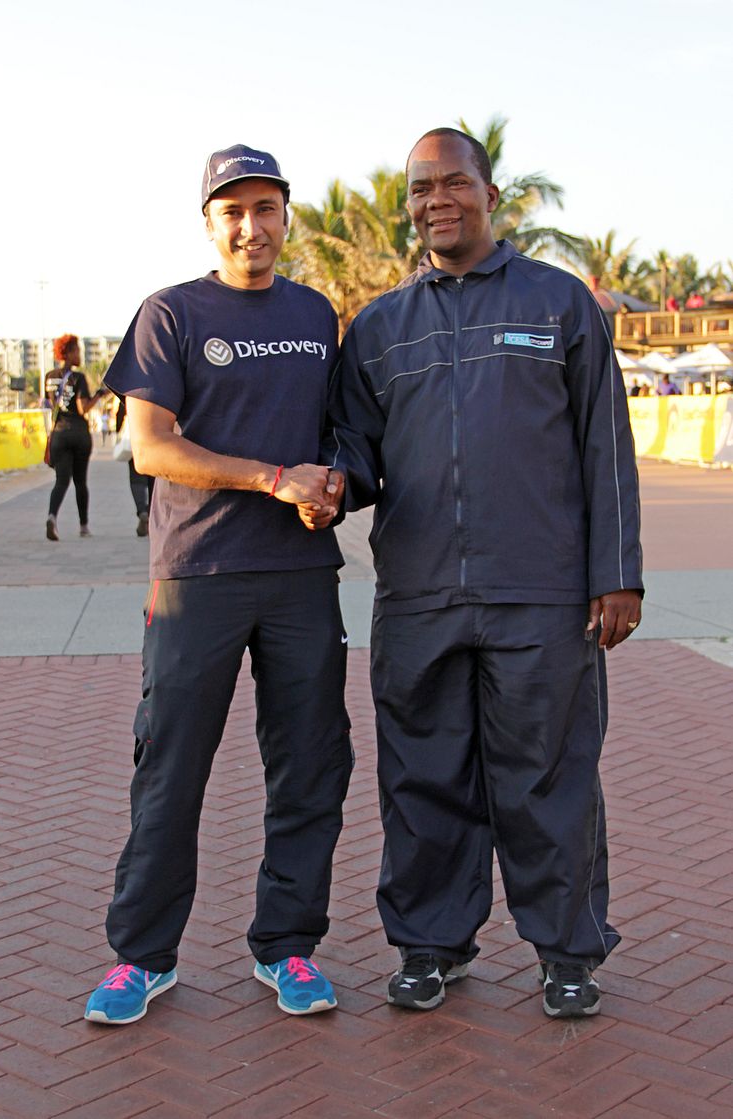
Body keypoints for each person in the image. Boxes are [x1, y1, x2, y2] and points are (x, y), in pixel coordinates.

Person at [326, 128, 643, 1020]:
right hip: (420, 593)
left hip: (542, 593)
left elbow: (603, 445)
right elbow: (356, 449)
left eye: (452, 183)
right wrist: (331, 482)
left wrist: (616, 573)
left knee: (551, 777)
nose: (436, 201)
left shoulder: (558, 304)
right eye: (421, 189)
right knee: (423, 778)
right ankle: (432, 945)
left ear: (490, 193)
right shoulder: (381, 328)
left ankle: (569, 953)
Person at [84, 143, 352, 1027]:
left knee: (309, 765)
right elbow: (150, 445)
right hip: (196, 575)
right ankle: (142, 957)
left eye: (265, 207)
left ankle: (289, 945)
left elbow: (337, 434)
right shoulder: (171, 312)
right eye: (232, 210)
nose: (251, 226)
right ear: (209, 222)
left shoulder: (318, 315)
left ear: (286, 216)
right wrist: (275, 478)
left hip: (301, 578)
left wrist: (330, 484)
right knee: (171, 766)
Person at [45, 334, 108, 540]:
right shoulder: (77, 377)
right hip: (78, 434)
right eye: (77, 350)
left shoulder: (49, 376)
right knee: (80, 481)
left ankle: (52, 517)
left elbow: (51, 405)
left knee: (61, 480)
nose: (79, 354)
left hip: (58, 433)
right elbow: (83, 408)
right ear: (69, 353)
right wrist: (99, 394)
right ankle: (83, 526)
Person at [115, 395, 153, 536]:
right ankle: (151, 514)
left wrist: (118, 431)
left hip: (135, 438)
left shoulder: (132, 386)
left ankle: (142, 511)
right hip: (158, 438)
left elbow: (120, 414)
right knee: (154, 480)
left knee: (136, 479)